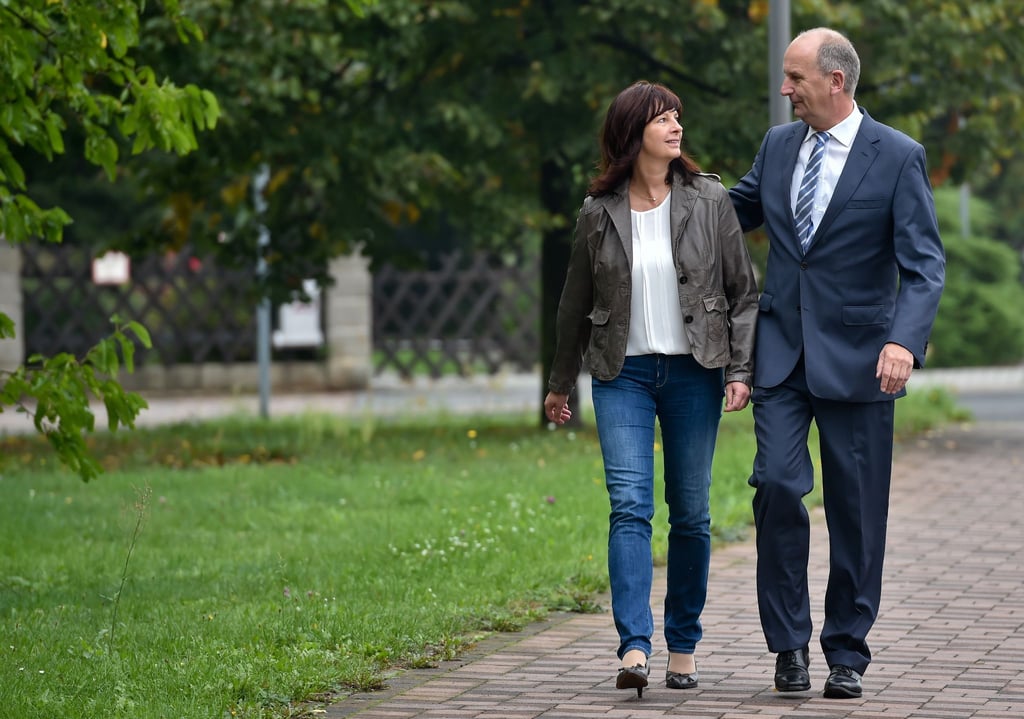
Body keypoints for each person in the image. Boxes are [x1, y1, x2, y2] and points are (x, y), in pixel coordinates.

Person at [729, 28, 945, 699]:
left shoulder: (898, 156)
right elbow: (729, 211)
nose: (785, 90)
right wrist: (658, 184)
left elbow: (924, 265)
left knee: (855, 512)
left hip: (861, 362)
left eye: (795, 78)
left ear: (836, 81)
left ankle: (847, 649)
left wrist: (904, 341)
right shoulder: (777, 145)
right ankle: (788, 643)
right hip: (782, 358)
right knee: (777, 485)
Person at [544, 80, 758, 698]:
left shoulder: (709, 199)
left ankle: (683, 645)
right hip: (622, 375)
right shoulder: (597, 213)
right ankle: (635, 646)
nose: (675, 126)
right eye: (663, 118)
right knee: (630, 506)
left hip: (696, 373)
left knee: (690, 514)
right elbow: (572, 307)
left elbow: (744, 295)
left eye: (678, 117)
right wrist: (560, 384)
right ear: (632, 132)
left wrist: (740, 371)